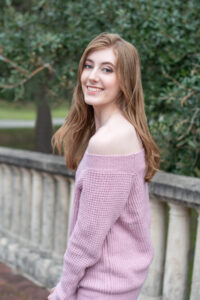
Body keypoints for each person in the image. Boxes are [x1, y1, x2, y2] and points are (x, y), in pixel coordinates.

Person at [48, 32, 160, 300]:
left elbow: (88, 235)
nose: (92, 76)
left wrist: (63, 290)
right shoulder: (121, 132)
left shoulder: (110, 140)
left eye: (107, 69)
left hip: (102, 288)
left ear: (126, 80)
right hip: (113, 284)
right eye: (89, 65)